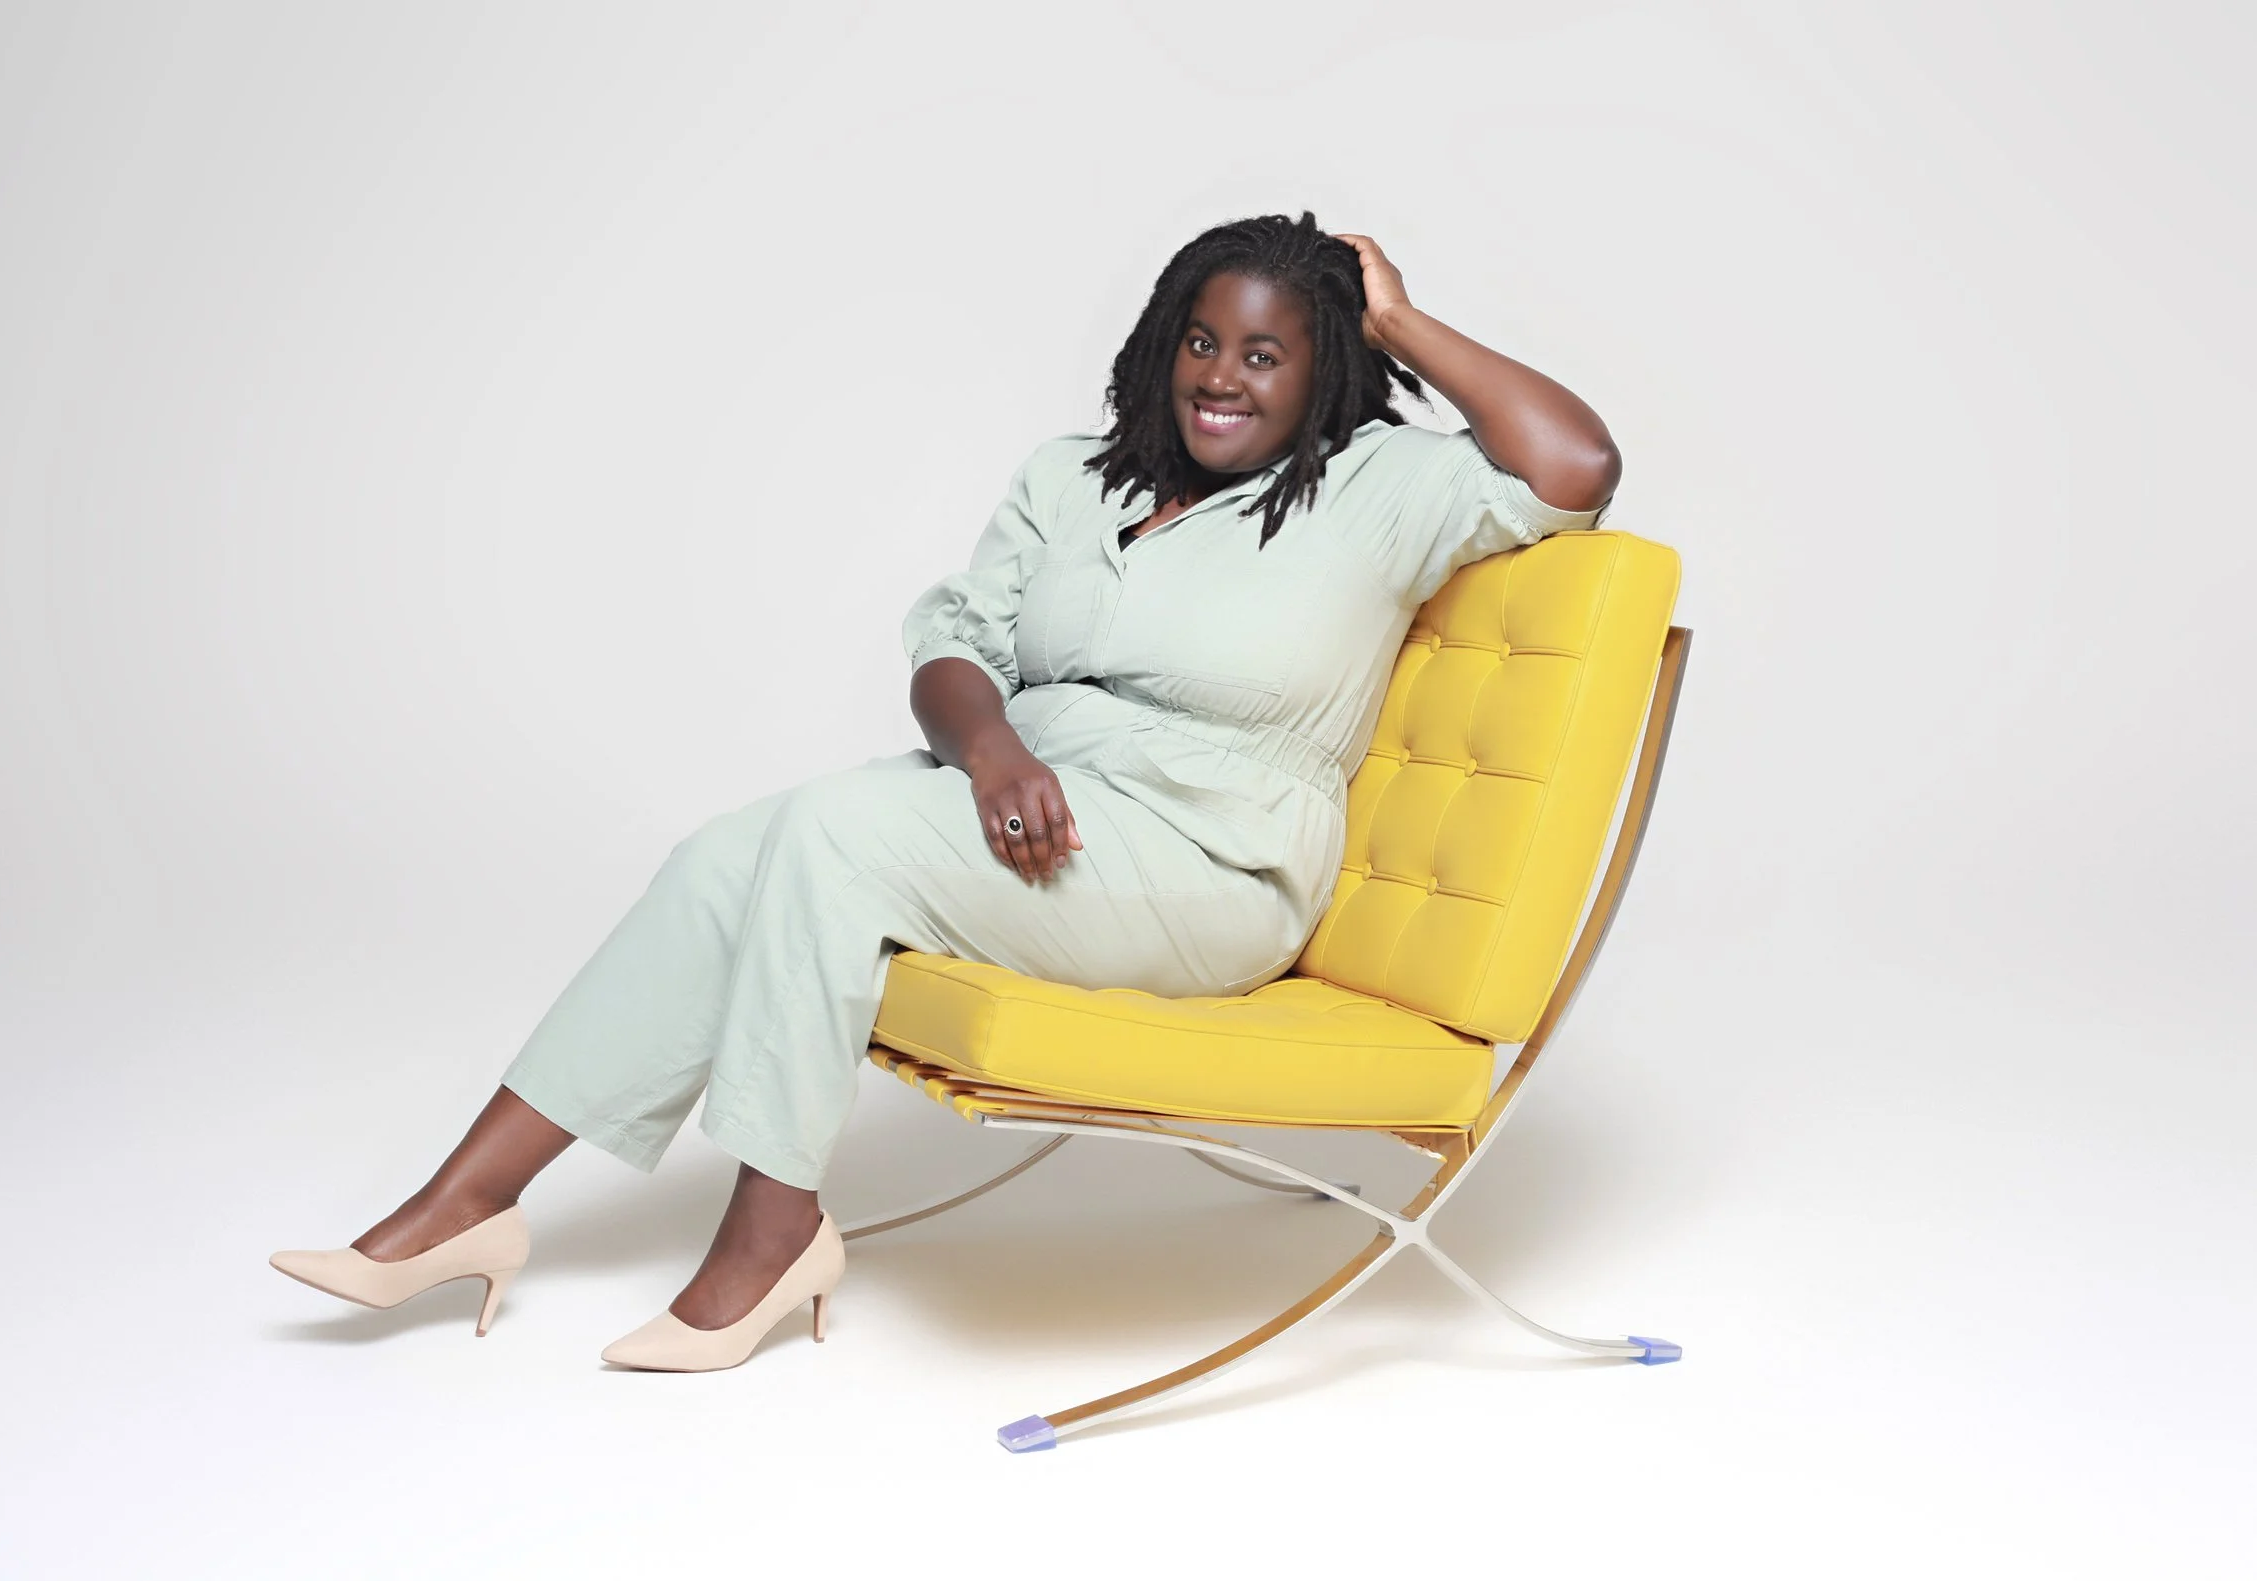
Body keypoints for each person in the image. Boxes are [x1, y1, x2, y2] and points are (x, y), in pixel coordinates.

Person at [269, 211, 1622, 1370]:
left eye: (1267, 354)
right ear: (1164, 339)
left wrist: (1405, 319)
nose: (1222, 378)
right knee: (722, 857)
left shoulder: (1379, 488)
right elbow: (954, 641)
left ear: (1325, 369)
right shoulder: (1071, 478)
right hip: (1020, 805)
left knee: (833, 840)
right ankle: (467, 1207)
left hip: (1212, 864)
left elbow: (1577, 464)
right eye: (1203, 341)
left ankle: (773, 1228)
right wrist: (993, 751)